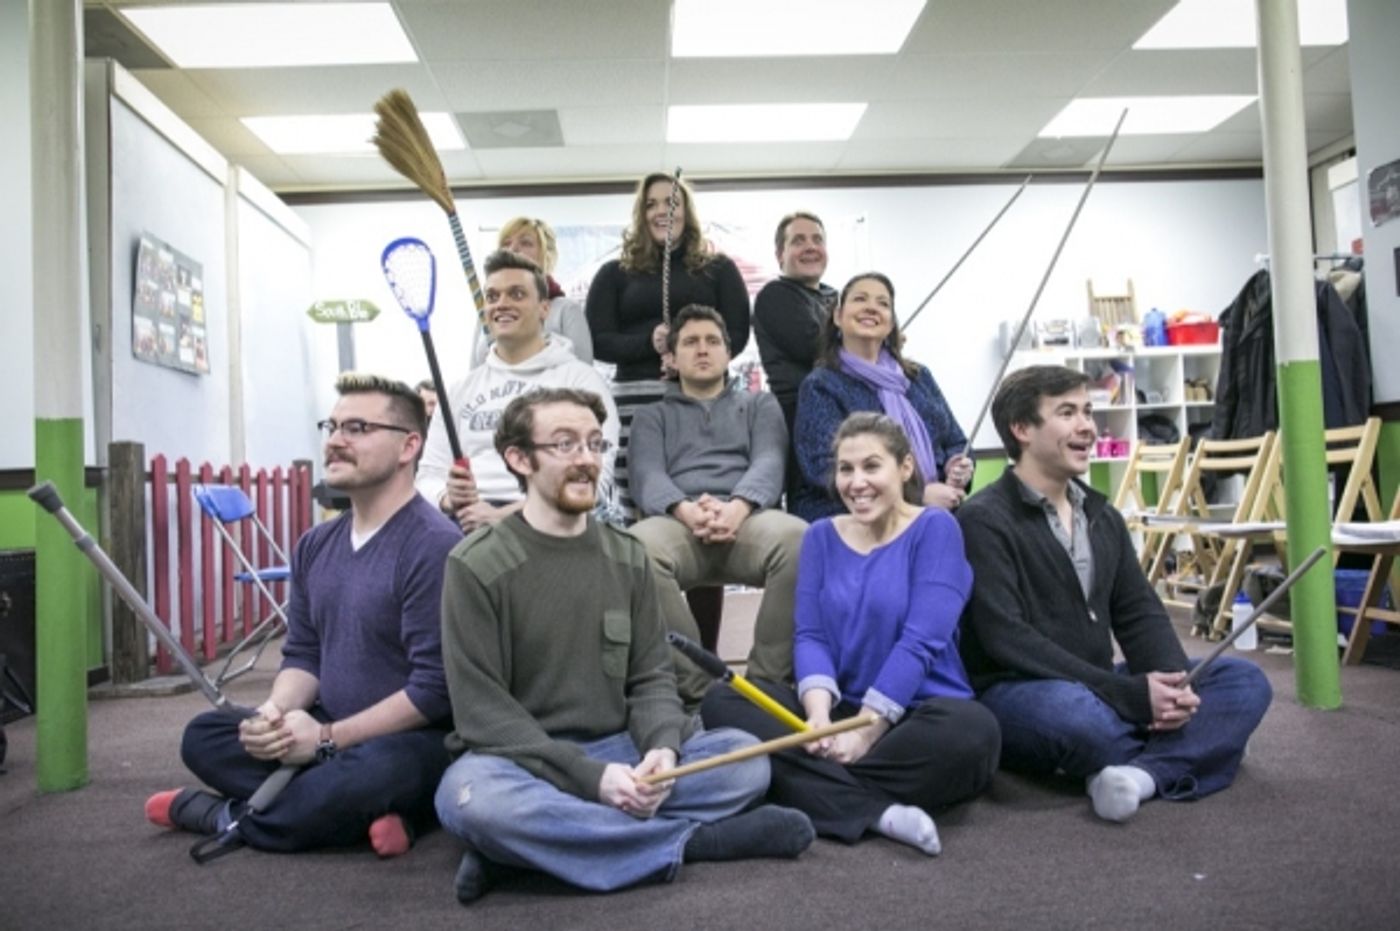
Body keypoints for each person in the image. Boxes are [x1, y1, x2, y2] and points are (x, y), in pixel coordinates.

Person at [435, 388, 814, 903]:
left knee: (746, 760)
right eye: (565, 445)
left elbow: (652, 677)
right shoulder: (473, 565)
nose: (587, 460)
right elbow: (484, 715)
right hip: (522, 760)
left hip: (624, 750)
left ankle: (524, 852)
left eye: (594, 444)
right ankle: (694, 842)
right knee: (469, 800)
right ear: (519, 459)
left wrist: (661, 746)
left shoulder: (629, 556)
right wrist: (591, 780)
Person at [145, 373, 461, 855]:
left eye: (357, 428)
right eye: (331, 426)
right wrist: (273, 716)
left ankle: (222, 814)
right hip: (325, 723)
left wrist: (327, 741)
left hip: (410, 739)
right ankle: (381, 815)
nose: (335, 440)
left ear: (408, 447)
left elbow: (434, 692)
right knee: (205, 735)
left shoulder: (433, 546)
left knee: (380, 773)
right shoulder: (315, 545)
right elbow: (304, 655)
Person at [958, 365, 1272, 823]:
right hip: (1022, 690)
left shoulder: (1102, 515)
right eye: (1067, 412)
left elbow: (1139, 612)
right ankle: (1192, 752)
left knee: (1245, 682)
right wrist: (1130, 697)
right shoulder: (981, 519)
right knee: (1079, 719)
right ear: (1021, 429)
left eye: (1087, 410)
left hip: (1102, 682)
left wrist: (1172, 686)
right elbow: (1006, 638)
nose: (1087, 425)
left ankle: (1139, 776)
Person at [703, 413, 1000, 856]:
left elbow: (920, 642)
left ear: (905, 468)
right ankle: (877, 811)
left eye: (871, 466)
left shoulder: (937, 529)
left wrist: (864, 734)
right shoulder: (821, 535)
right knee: (722, 700)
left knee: (976, 732)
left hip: (919, 715)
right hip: (840, 709)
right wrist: (817, 718)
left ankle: (805, 789)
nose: (856, 482)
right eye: (846, 469)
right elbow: (810, 635)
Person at [628, 304, 807, 707]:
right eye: (690, 342)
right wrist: (686, 510)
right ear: (671, 358)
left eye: (713, 341)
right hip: (678, 525)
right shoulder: (651, 415)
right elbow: (647, 475)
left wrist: (737, 508)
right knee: (635, 549)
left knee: (801, 539)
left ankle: (766, 687)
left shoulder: (760, 405)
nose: (703, 349)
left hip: (748, 520)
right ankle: (700, 691)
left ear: (729, 354)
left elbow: (770, 461)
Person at [585, 172, 751, 518]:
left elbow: (736, 332)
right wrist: (649, 343)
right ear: (640, 215)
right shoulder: (615, 273)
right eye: (651, 204)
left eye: (671, 202)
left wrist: (688, 358)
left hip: (702, 398)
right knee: (640, 492)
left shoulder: (718, 270)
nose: (662, 211)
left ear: (686, 211)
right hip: (634, 398)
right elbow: (597, 341)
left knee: (700, 483)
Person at [417, 249, 619, 533]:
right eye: (493, 296)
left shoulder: (581, 381)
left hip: (550, 523)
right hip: (465, 522)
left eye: (517, 294)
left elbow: (596, 478)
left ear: (544, 309)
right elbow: (427, 475)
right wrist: (448, 498)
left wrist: (507, 516)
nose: (502, 304)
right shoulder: (461, 389)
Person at [791, 272, 972, 523]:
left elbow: (956, 440)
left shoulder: (919, 377)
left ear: (891, 323)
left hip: (936, 508)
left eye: (883, 303)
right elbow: (822, 468)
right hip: (852, 515)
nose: (871, 308)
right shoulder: (820, 385)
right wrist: (915, 496)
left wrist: (958, 466)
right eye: (860, 299)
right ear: (838, 317)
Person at [753, 211, 838, 510]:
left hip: (842, 416)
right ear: (781, 255)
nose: (810, 246)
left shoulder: (834, 297)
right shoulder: (775, 296)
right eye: (798, 241)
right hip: (798, 421)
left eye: (817, 239)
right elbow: (814, 346)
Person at [471, 216, 593, 365]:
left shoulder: (566, 310)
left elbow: (583, 370)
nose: (513, 249)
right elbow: (475, 373)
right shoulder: (489, 312)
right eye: (506, 243)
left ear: (546, 255)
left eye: (526, 243)